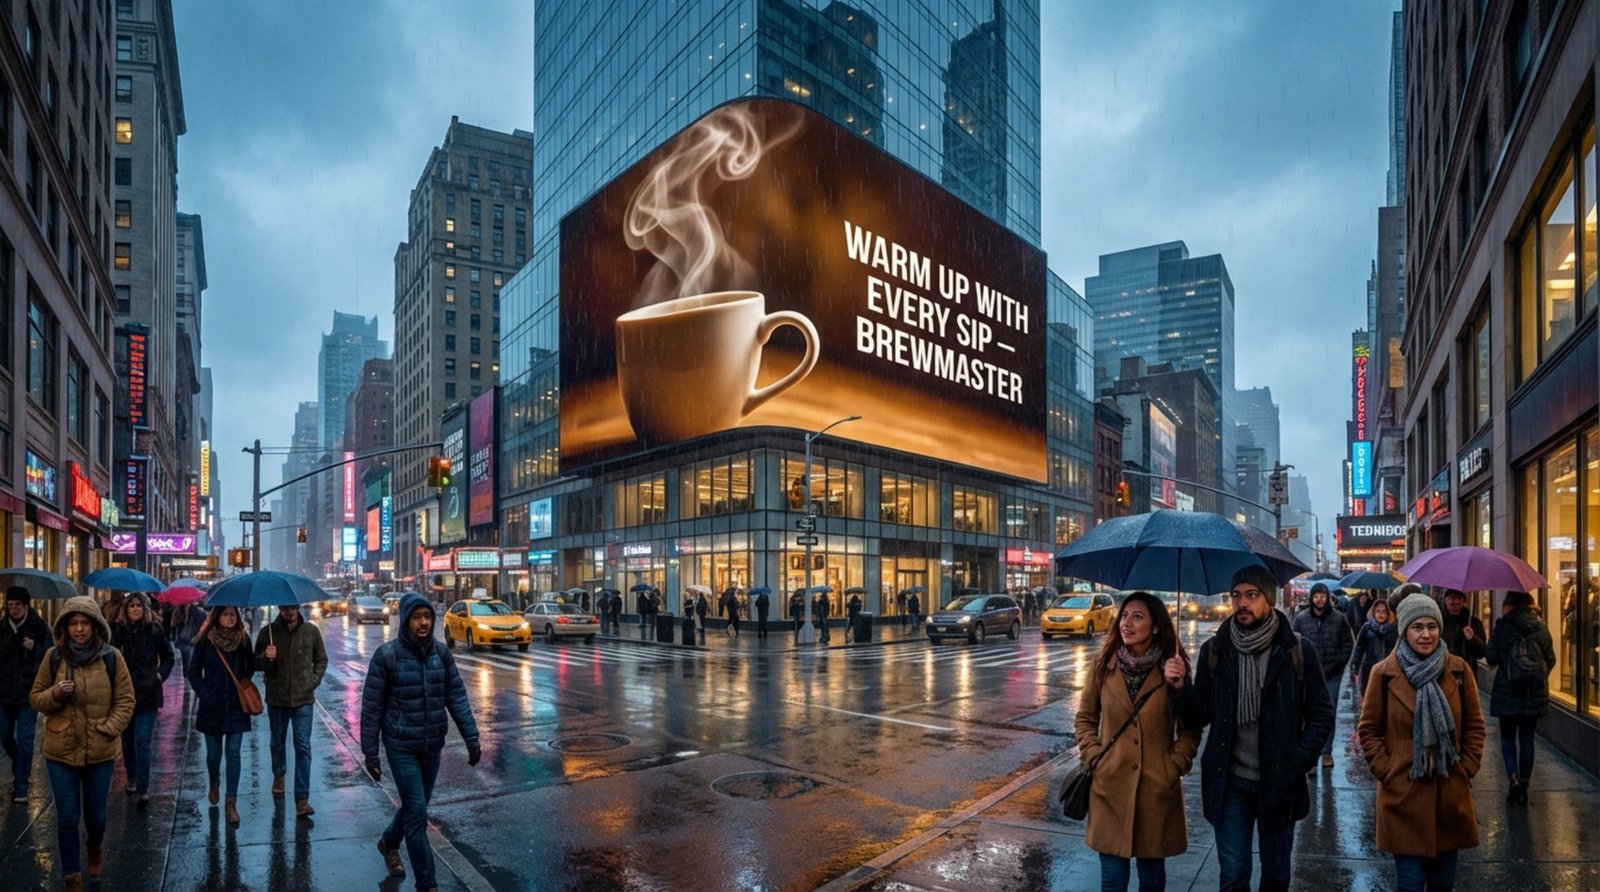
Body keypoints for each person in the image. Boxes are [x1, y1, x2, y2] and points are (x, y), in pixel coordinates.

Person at [1176, 566, 1335, 892]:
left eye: (1251, 595)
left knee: (1276, 876)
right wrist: (1180, 688)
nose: (1242, 603)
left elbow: (1321, 714)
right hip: (1230, 782)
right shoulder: (1215, 651)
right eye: (1236, 596)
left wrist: (1298, 759)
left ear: (1269, 600)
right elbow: (1198, 715)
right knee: (1233, 875)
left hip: (1280, 781)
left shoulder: (1297, 651)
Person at [1357, 594, 1485, 892]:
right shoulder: (1383, 674)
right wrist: (1386, 769)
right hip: (1403, 795)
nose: (1426, 634)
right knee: (1411, 884)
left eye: (1431, 626)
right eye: (1417, 627)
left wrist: (1466, 767)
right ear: (1404, 631)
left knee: (1443, 885)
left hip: (1449, 792)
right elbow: (1369, 730)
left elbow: (1475, 726)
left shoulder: (1459, 670)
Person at [1075, 592, 1200, 891]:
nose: (1126, 623)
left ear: (1156, 626)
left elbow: (1191, 727)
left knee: (1152, 881)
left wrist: (1175, 765)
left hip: (1156, 790)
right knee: (1113, 882)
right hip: (1110, 787)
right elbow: (1085, 718)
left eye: (1138, 617)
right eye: (1125, 615)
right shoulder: (1103, 664)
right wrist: (1094, 755)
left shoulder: (1173, 667)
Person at [361, 593, 481, 890]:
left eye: (427, 616)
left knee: (417, 807)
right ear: (405, 620)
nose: (424, 622)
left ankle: (389, 842)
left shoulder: (441, 654)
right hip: (401, 745)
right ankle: (427, 884)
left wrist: (472, 737)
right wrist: (371, 754)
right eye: (417, 617)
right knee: (417, 814)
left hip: (432, 745)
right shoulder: (387, 655)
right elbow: (372, 708)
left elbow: (456, 697)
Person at [29, 596, 134, 892]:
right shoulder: (53, 657)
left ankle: (95, 845)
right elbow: (36, 698)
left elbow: (125, 700)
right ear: (65, 627)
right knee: (67, 816)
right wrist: (55, 694)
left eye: (84, 623)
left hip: (100, 750)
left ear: (95, 626)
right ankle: (71, 876)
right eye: (73, 624)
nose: (79, 629)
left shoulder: (111, 657)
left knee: (97, 816)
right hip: (60, 749)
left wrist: (109, 729)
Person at [254, 602, 328, 819]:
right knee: (277, 741)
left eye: (293, 608)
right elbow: (254, 663)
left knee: (303, 746)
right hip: (277, 699)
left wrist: (313, 680)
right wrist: (266, 658)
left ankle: (302, 798)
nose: (289, 612)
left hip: (304, 699)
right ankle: (279, 773)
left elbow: (321, 659)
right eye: (285, 609)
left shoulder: (311, 631)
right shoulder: (268, 633)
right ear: (279, 609)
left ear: (298, 608)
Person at [1483, 590, 1556, 805]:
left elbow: (1491, 657)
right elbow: (1550, 659)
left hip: (1507, 692)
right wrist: (1537, 677)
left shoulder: (1503, 626)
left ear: (1509, 605)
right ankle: (1524, 784)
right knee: (1527, 739)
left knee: (1507, 739)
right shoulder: (1541, 626)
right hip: (1532, 694)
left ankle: (1513, 779)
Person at [186, 605, 256, 826]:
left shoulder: (243, 640)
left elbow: (250, 667)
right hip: (212, 708)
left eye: (233, 615)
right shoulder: (206, 640)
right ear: (217, 617)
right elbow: (193, 671)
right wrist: (206, 694)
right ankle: (214, 782)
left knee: (233, 753)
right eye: (225, 615)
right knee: (214, 755)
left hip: (236, 707)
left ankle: (231, 803)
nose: (229, 618)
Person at [109, 593, 173, 809]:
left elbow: (168, 657)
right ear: (126, 609)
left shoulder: (154, 630)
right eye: (131, 606)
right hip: (124, 695)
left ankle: (143, 790)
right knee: (127, 742)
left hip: (148, 694)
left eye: (138, 606)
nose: (135, 609)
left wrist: (159, 675)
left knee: (142, 740)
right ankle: (132, 779)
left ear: (144, 608)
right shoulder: (118, 631)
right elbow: (108, 656)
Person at [1291, 582, 1354, 769]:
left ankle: (1326, 752)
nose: (1319, 599)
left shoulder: (1339, 618)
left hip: (1332, 674)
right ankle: (1309, 755)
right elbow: (1292, 643)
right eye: (1316, 596)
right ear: (1311, 598)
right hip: (1307, 674)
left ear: (1328, 598)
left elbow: (1347, 644)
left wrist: (1339, 664)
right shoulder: (1301, 618)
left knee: (1328, 713)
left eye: (1322, 596)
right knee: (1305, 713)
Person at [0, 587, 51, 802]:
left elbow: (50, 653)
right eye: (10, 606)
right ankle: (19, 761)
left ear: (26, 606)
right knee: (4, 735)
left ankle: (21, 784)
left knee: (25, 737)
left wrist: (35, 647)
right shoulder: (1, 627)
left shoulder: (38, 627)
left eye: (17, 606)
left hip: (28, 692)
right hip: (3, 693)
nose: (13, 610)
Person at [1355, 599, 1399, 703]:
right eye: (1378, 611)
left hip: (1388, 669)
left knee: (1386, 698)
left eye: (1384, 612)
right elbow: (1359, 648)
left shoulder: (1393, 629)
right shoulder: (1367, 628)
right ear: (1373, 612)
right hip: (1370, 667)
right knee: (1369, 697)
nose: (1381, 614)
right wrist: (1355, 668)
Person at [1440, 590, 1486, 664]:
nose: (1456, 601)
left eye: (1459, 598)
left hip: (1466, 671)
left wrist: (1472, 639)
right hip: (1443, 669)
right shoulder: (1439, 622)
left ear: (1464, 601)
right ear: (1445, 600)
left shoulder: (1474, 622)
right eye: (1452, 598)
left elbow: (1481, 653)